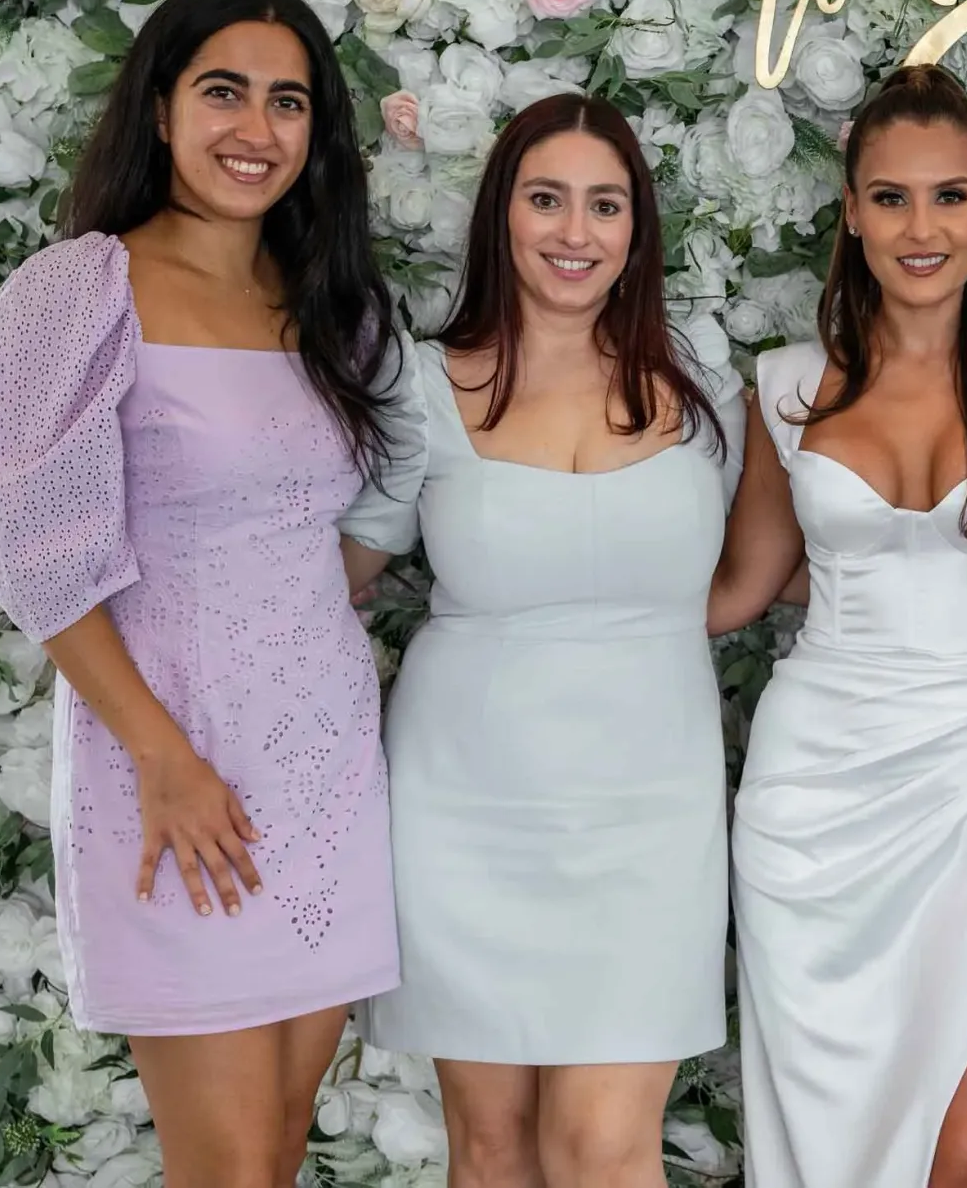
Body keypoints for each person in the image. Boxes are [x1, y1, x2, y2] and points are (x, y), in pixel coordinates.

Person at [0, 0, 402, 1188]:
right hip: (173, 765)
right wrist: (162, 759)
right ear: (159, 109)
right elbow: (27, 543)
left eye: (288, 102)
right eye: (223, 92)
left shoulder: (334, 309)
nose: (257, 129)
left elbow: (334, 533)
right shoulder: (83, 289)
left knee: (278, 1154)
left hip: (324, 765)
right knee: (229, 1171)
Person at [707, 63, 967, 1187]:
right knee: (835, 1144)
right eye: (891, 198)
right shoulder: (790, 387)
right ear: (851, 212)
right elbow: (743, 587)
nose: (920, 229)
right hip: (814, 797)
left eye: (948, 196)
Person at [340, 94, 743, 1188]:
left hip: (650, 811)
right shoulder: (418, 386)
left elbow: (756, 575)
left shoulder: (702, 384)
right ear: (501, 215)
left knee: (603, 1147)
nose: (576, 232)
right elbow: (342, 573)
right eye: (547, 199)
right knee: (491, 1147)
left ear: (637, 226)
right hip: (465, 806)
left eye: (605, 205)